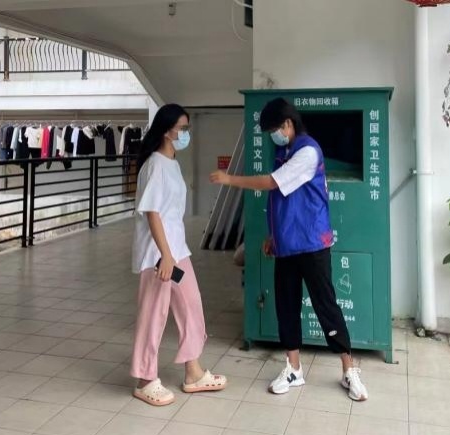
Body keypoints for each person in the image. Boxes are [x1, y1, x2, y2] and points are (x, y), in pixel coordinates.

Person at [210, 97, 367, 401]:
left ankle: (349, 370)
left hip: (312, 243)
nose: (274, 136)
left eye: (274, 130)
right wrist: (273, 235)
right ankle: (294, 369)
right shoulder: (285, 152)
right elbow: (283, 200)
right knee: (287, 306)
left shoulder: (307, 151)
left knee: (326, 305)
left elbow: (272, 184)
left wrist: (230, 178)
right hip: (287, 244)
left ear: (287, 124)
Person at [130, 104, 227, 406]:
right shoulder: (155, 165)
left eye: (187, 128)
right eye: (182, 128)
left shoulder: (171, 163)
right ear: (166, 131)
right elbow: (152, 213)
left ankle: (193, 373)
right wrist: (166, 255)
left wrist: (174, 253)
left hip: (177, 251)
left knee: (191, 306)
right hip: (158, 256)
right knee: (153, 315)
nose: (186, 133)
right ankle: (145, 380)